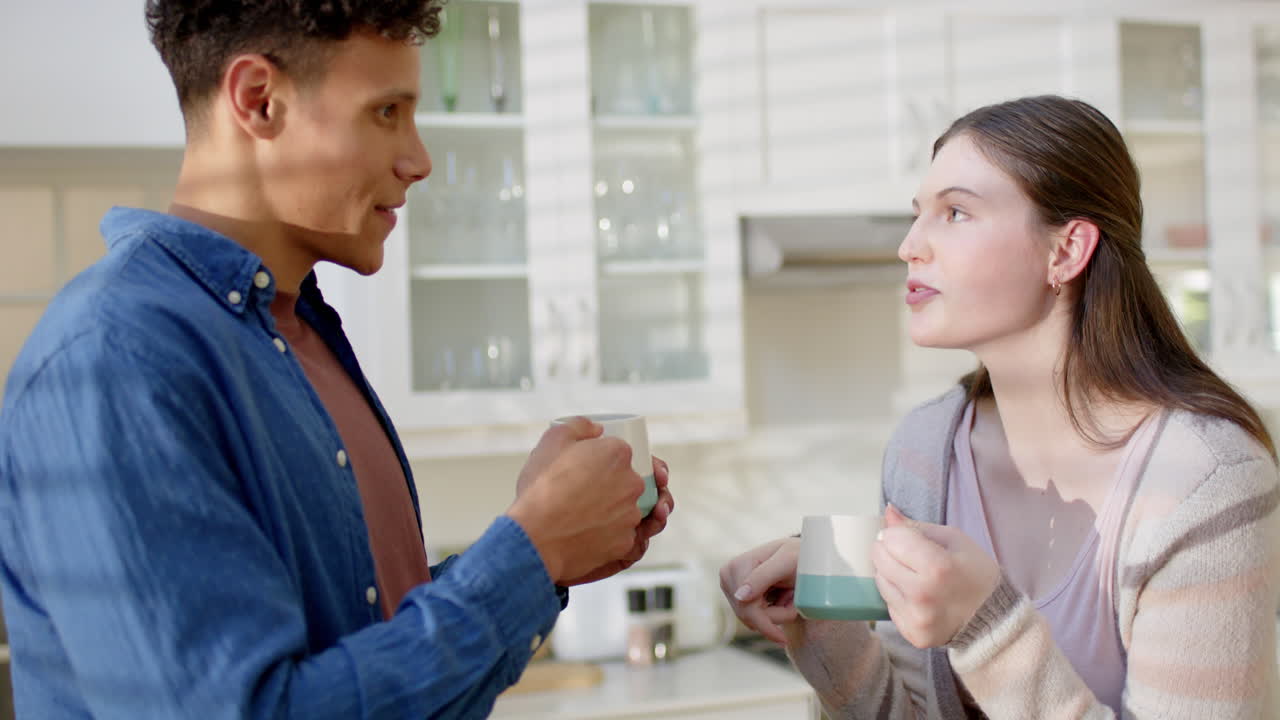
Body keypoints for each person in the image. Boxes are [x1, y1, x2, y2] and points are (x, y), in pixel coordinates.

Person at [0, 2, 674, 718]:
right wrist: (530, 552)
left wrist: (543, 551)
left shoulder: (302, 334)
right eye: (387, 112)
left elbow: (362, 653)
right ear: (259, 101)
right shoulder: (117, 360)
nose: (420, 160)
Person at [720, 95, 1280, 718]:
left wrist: (986, 626)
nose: (909, 246)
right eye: (918, 215)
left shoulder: (1205, 479)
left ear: (1066, 251)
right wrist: (821, 624)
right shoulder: (925, 448)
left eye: (955, 212)